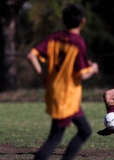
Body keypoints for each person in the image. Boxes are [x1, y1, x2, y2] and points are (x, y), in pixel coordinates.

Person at [27, 3, 98, 160]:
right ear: (83, 21)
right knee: (55, 138)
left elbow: (31, 55)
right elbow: (83, 75)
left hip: (58, 94)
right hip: (66, 97)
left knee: (85, 130)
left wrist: (42, 76)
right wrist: (93, 68)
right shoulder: (77, 42)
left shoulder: (54, 38)